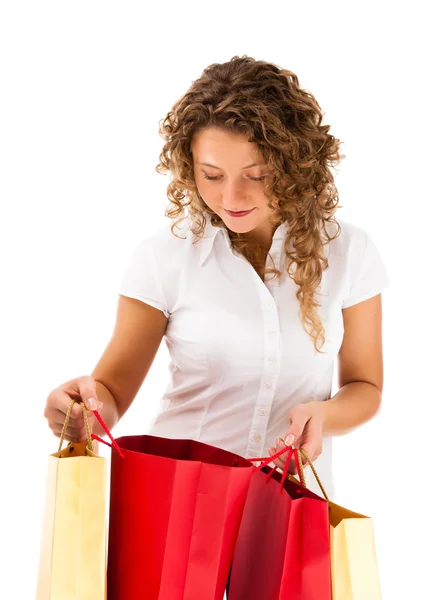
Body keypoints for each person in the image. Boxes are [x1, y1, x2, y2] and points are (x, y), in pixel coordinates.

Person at [44, 54, 389, 503]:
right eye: (212, 175)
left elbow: (366, 387)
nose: (231, 197)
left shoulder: (349, 252)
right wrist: (82, 413)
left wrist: (322, 415)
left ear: (296, 165)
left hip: (289, 507)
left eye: (257, 175)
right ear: (190, 167)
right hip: (175, 506)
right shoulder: (165, 254)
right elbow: (110, 392)